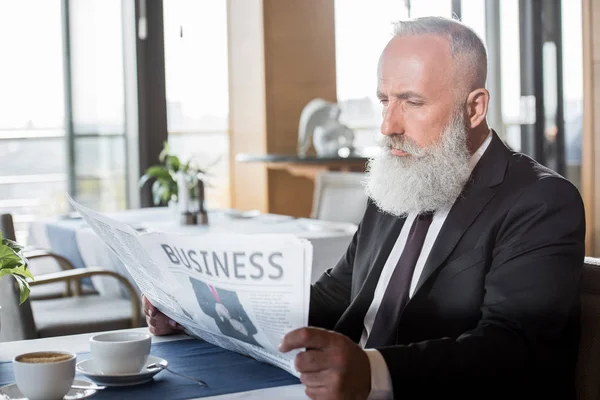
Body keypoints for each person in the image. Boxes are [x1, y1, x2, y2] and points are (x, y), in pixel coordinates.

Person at [143, 16, 585, 400]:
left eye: (411, 102)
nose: (388, 125)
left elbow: (512, 349)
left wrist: (371, 372)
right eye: (383, 101)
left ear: (474, 108)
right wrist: (201, 316)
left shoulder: (541, 202)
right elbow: (337, 295)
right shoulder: (400, 180)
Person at [188, 278, 262, 348]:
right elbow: (203, 305)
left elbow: (236, 299)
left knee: (253, 344)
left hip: (239, 318)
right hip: (223, 325)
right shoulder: (195, 279)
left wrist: (246, 325)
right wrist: (214, 307)